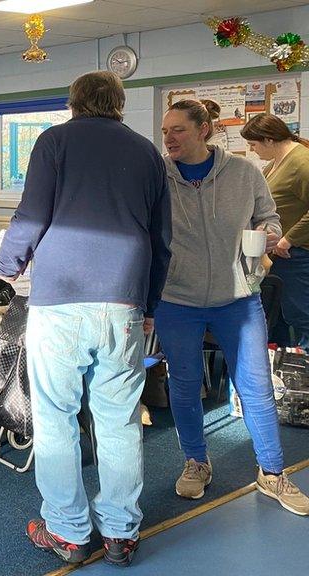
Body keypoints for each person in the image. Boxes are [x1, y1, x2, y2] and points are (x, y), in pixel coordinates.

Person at [0, 71, 172, 567]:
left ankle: (69, 531)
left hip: (61, 303)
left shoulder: (54, 142)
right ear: (120, 103)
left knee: (56, 419)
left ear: (74, 103)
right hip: (123, 304)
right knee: (118, 422)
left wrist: (6, 265)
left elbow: (32, 215)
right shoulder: (147, 154)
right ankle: (121, 533)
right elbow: (162, 241)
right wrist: (149, 303)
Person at [158, 100, 308, 516]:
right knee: (185, 387)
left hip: (239, 300)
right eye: (165, 130)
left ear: (204, 129)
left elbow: (271, 217)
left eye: (178, 130)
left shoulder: (244, 173)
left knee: (256, 386)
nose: (168, 138)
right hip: (177, 300)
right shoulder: (158, 178)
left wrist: (268, 233)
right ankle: (196, 462)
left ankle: (272, 472)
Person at [242, 113, 309, 347]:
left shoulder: (301, 162)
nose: (252, 150)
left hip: (298, 254)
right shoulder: (275, 164)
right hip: (281, 255)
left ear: (269, 140)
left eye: (253, 144)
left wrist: (288, 239)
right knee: (279, 318)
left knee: (302, 318)